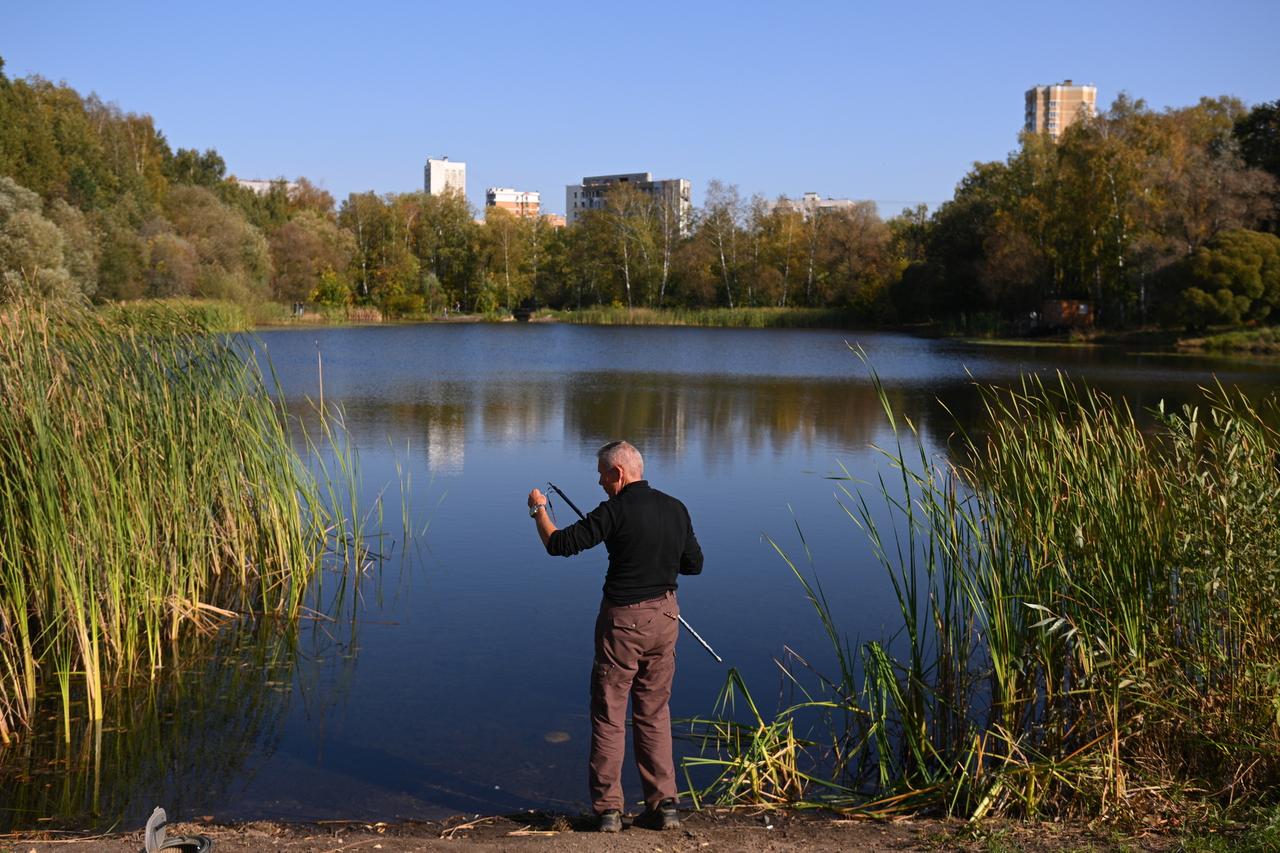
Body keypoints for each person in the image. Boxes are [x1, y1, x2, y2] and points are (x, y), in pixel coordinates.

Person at [528, 440, 703, 833]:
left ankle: (608, 810)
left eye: (602, 475)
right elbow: (694, 565)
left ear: (618, 473)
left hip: (623, 623)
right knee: (654, 712)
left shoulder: (614, 510)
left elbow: (559, 545)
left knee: (609, 714)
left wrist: (538, 509)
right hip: (666, 618)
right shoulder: (676, 508)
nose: (600, 482)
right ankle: (664, 806)